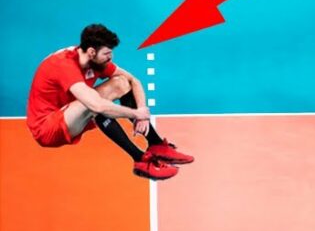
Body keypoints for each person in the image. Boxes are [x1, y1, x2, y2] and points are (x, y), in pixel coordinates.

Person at [26, 24, 192, 181]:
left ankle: (156, 144)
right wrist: (135, 114)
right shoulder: (64, 65)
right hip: (47, 128)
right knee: (93, 102)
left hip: (69, 114)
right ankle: (140, 159)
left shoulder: (94, 61)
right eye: (106, 54)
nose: (110, 58)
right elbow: (96, 105)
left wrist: (142, 113)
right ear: (92, 52)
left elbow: (134, 80)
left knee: (121, 82)